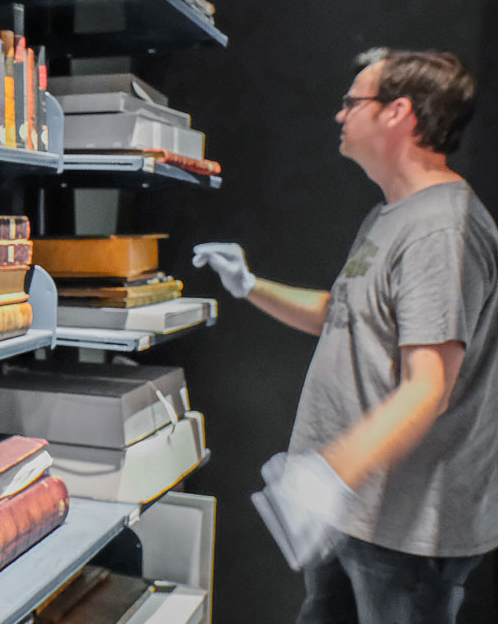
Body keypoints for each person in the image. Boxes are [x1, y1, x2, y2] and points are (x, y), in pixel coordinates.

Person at [193, 48, 496, 624]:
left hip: (405, 530)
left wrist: (331, 473)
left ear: (397, 113)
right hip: (356, 508)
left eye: (352, 102)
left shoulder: (441, 231)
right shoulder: (392, 214)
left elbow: (426, 387)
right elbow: (345, 312)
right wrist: (249, 284)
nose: (339, 115)